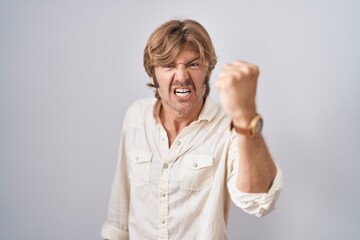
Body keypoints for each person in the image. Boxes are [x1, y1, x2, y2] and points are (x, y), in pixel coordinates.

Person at [101, 19, 283, 240]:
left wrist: (246, 116)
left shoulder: (229, 128)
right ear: (152, 75)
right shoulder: (135, 116)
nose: (182, 77)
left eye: (193, 64)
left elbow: (259, 201)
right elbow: (120, 209)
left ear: (207, 72)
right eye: (169, 65)